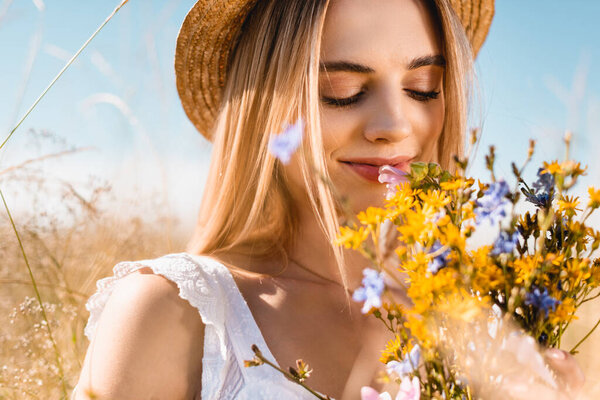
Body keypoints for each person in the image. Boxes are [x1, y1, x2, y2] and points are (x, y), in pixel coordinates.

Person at [74, 0, 585, 399]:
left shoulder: (490, 325)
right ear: (263, 109)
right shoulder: (178, 313)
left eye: (423, 87)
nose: (394, 126)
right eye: (342, 89)